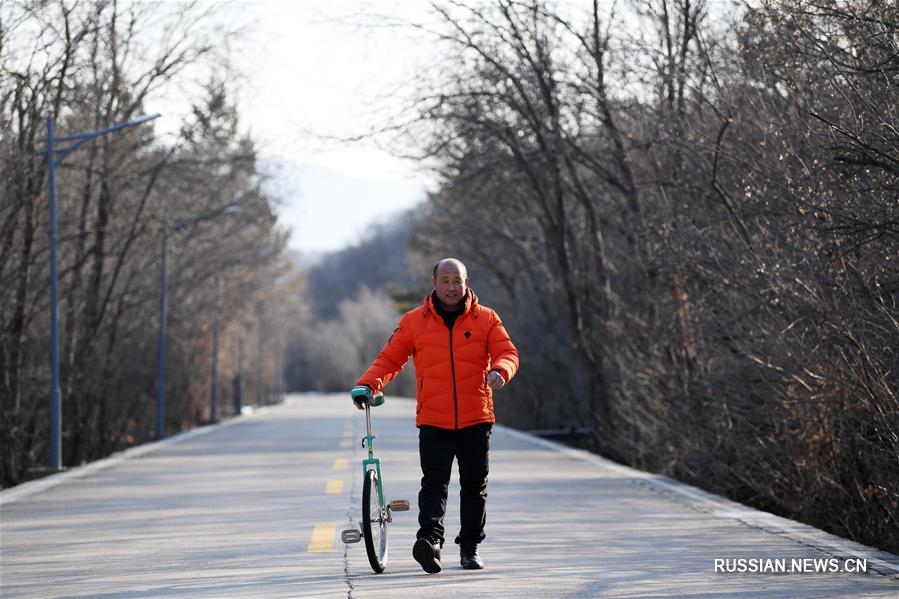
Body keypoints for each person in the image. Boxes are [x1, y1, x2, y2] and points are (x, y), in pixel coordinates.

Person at [352, 258, 519, 573]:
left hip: (476, 416)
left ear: (466, 283)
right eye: (446, 280)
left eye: (458, 280)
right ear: (434, 284)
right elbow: (390, 358)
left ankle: (469, 548)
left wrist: (501, 371)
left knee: (474, 485)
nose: (452, 287)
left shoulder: (486, 319)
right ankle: (429, 542)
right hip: (434, 418)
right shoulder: (415, 321)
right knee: (434, 483)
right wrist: (367, 385)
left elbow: (508, 352)